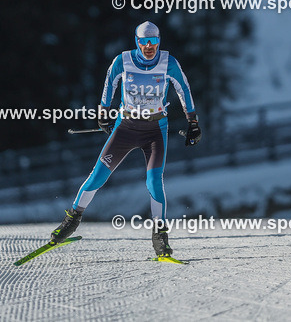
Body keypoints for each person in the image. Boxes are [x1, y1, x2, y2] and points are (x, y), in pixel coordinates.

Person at [49, 21, 201, 257]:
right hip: (126, 128)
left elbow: (184, 89)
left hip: (155, 130)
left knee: (154, 181)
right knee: (98, 176)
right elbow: (109, 84)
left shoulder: (168, 63)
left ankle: (160, 237)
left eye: (153, 41)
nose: (149, 46)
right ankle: (71, 221)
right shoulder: (123, 60)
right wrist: (103, 113)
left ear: (159, 41)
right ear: (137, 42)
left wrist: (192, 121)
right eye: (144, 41)